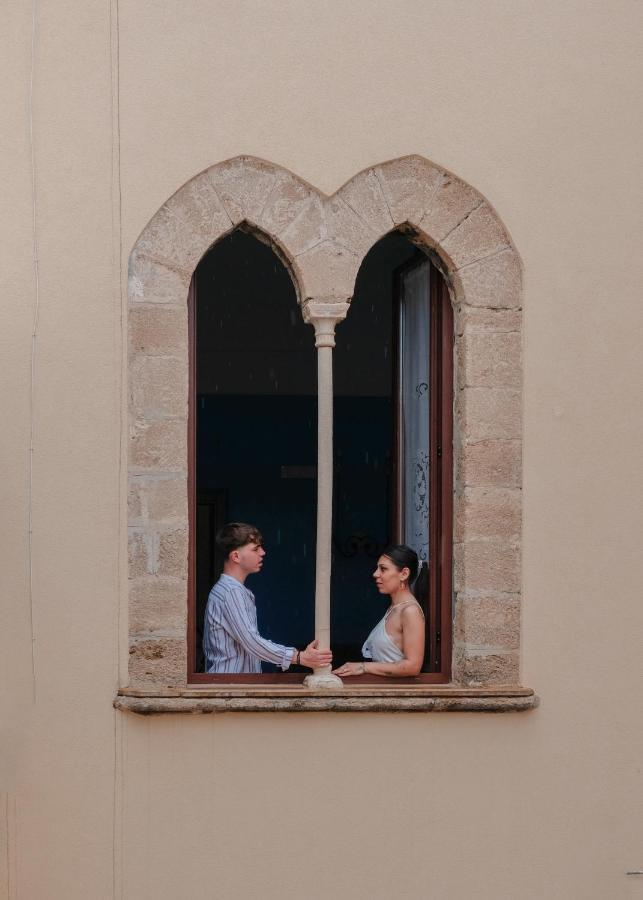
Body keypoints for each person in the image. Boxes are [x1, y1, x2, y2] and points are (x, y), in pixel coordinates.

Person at [203, 521, 332, 674]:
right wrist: (299, 657)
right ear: (236, 556)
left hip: (234, 686)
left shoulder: (233, 590)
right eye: (256, 549)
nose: (262, 553)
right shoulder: (230, 592)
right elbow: (251, 642)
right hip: (230, 687)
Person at [333, 545, 426, 678]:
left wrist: (362, 667)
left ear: (404, 574)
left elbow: (412, 666)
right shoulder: (394, 608)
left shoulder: (410, 611)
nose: (375, 574)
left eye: (383, 569)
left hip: (397, 694)